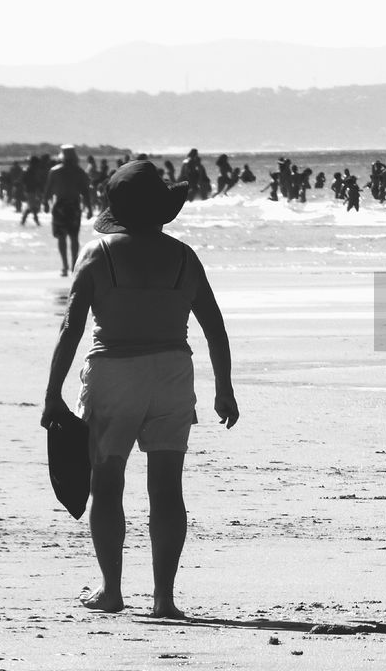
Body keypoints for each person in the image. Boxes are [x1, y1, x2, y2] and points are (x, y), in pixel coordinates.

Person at [41, 159, 239, 619]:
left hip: (115, 374)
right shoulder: (184, 256)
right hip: (172, 373)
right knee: (167, 489)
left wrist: (53, 393)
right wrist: (224, 387)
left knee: (107, 485)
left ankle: (111, 592)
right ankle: (164, 599)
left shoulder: (99, 254)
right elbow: (215, 327)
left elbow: (71, 328)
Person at [46, 145, 95, 276]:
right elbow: (85, 192)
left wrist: (45, 202)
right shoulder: (78, 172)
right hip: (72, 205)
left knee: (63, 237)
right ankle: (71, 265)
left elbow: (49, 190)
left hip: (61, 205)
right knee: (73, 237)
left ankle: (66, 266)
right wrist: (89, 208)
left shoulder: (55, 171)